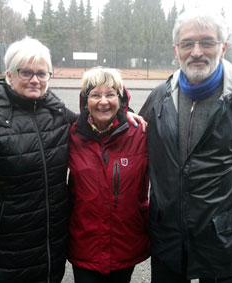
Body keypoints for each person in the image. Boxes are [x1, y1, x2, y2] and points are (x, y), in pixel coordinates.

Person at [0, 36, 146, 283]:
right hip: (5, 247)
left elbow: (96, 119)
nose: (35, 80)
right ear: (9, 74)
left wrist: (125, 114)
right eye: (26, 72)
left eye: (42, 73)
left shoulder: (57, 113)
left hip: (49, 247)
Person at [139, 9, 232, 283]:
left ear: (223, 47)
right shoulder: (158, 99)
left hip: (224, 240)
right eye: (187, 43)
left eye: (206, 42)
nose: (196, 51)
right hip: (170, 238)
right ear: (175, 49)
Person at [68, 67, 150, 283]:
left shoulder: (141, 134)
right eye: (95, 95)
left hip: (125, 244)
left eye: (110, 94)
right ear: (85, 101)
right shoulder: (71, 134)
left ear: (121, 99)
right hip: (85, 245)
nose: (103, 101)